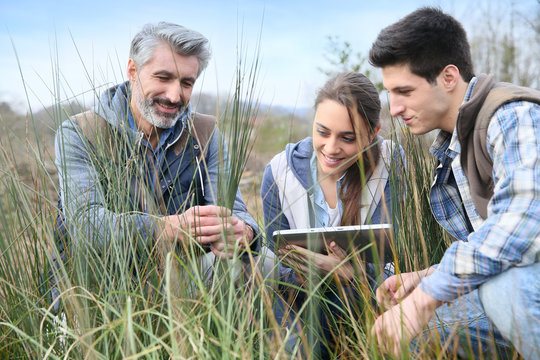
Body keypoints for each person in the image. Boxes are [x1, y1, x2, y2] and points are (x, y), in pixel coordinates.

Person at [368, 7, 540, 359]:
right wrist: (426, 276)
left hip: (520, 283)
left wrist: (427, 296)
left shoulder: (513, 116)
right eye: (390, 93)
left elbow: (521, 226)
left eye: (404, 91)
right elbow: (490, 241)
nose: (395, 108)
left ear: (448, 77)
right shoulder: (452, 147)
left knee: (502, 292)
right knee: (420, 335)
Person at [54, 22, 258, 295]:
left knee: (263, 263)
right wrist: (167, 228)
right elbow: (87, 227)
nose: (175, 96)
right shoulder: (79, 133)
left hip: (181, 280)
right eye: (163, 77)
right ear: (132, 71)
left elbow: (234, 211)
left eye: (187, 83)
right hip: (98, 287)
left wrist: (245, 232)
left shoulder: (207, 134)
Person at [261, 72, 403, 358]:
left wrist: (351, 273)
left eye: (347, 138)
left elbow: (392, 258)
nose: (331, 148)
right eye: (322, 132)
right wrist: (312, 273)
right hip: (298, 297)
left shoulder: (390, 163)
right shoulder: (278, 173)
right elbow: (274, 258)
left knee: (338, 300)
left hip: (366, 299)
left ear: (373, 133)